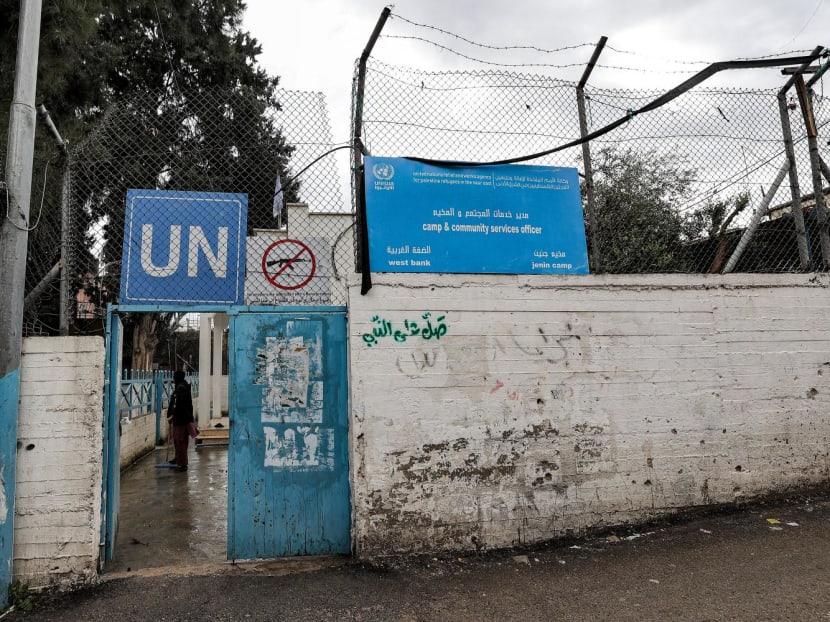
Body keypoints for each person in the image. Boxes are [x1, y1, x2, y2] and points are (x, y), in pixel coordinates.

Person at [167, 370, 194, 471]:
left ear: (177, 378)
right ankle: (178, 458)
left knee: (180, 441)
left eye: (174, 377)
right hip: (182, 418)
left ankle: (183, 464)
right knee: (177, 440)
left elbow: (179, 405)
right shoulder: (182, 387)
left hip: (181, 419)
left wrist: (172, 416)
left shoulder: (181, 388)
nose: (173, 379)